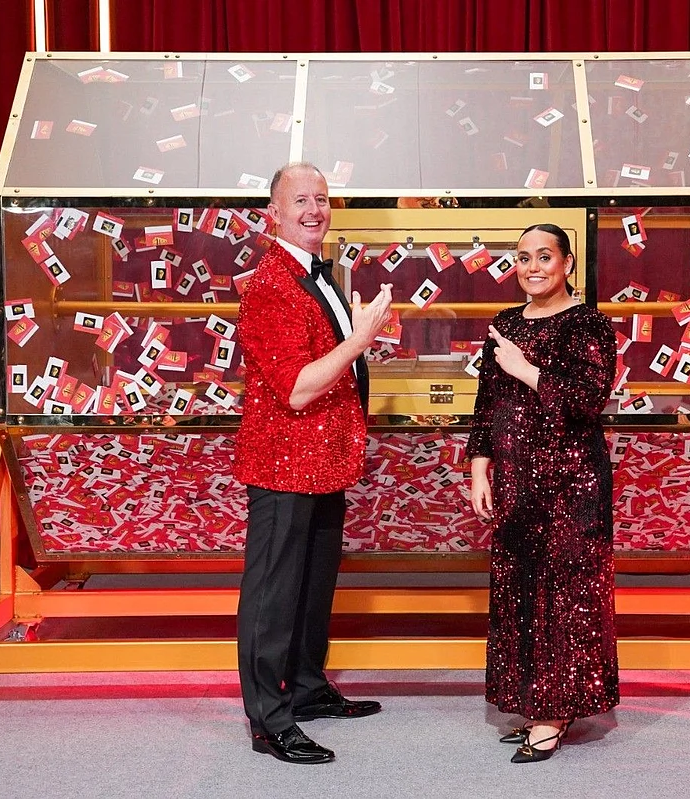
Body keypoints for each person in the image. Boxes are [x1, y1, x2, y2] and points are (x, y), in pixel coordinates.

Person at [233, 162, 394, 764]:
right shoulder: (270, 285)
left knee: (312, 585)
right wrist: (360, 338)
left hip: (324, 461)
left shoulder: (314, 273)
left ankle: (304, 687)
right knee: (273, 594)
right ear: (272, 213)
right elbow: (298, 389)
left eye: (322, 199)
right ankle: (269, 720)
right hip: (284, 463)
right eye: (300, 200)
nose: (314, 209)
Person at [468, 223, 619, 763]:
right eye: (523, 257)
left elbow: (587, 400)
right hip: (515, 482)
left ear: (567, 263)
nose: (533, 267)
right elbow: (487, 403)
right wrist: (479, 468)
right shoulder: (506, 323)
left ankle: (554, 716)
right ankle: (535, 705)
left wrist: (526, 370)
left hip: (570, 484)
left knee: (564, 595)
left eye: (544, 257)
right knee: (520, 593)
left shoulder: (589, 325)